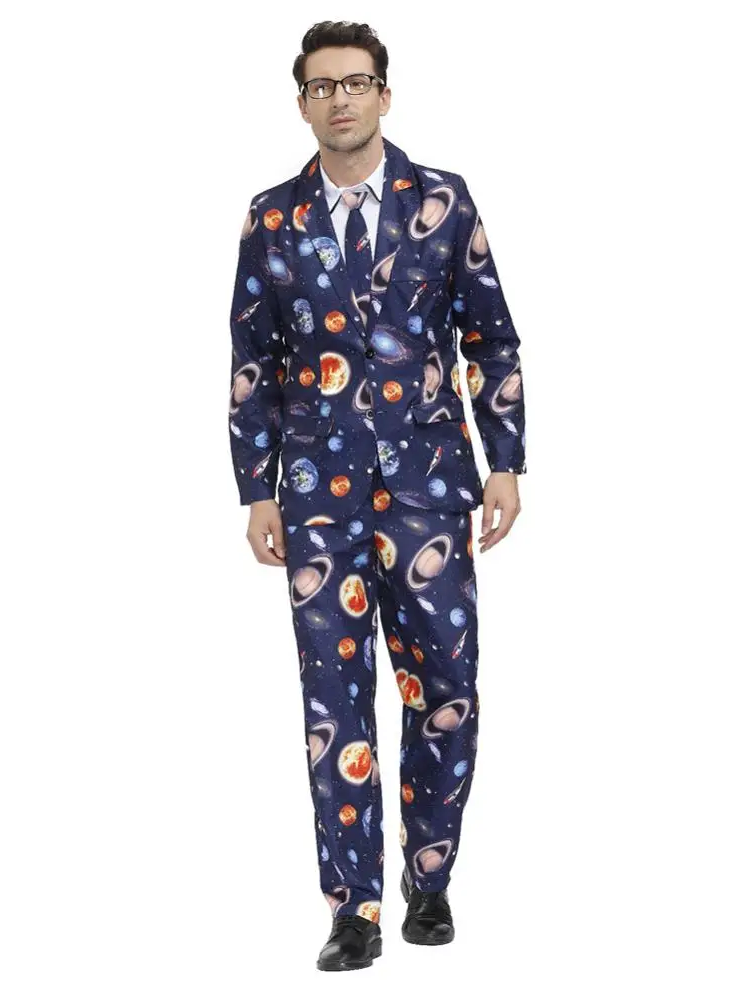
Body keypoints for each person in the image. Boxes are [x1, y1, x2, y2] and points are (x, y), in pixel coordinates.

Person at [227, 20, 526, 971]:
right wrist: (257, 488)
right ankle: (352, 909)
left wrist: (505, 461)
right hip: (317, 495)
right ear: (303, 104)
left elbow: (491, 339)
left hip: (429, 487)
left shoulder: (443, 200)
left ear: (384, 95)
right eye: (322, 87)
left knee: (446, 688)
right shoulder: (272, 218)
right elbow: (253, 361)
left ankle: (428, 880)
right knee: (334, 703)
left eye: (356, 83)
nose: (341, 99)